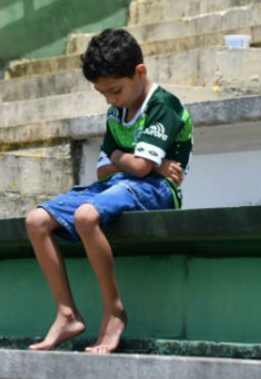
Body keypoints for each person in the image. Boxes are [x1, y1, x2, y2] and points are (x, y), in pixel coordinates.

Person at [25, 28, 193, 354]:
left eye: (115, 90)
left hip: (157, 190)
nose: (110, 100)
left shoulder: (164, 105)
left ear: (139, 72)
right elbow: (104, 169)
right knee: (36, 221)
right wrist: (137, 161)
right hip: (117, 185)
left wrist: (136, 162)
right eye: (103, 94)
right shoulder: (117, 110)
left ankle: (114, 310)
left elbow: (142, 170)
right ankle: (67, 313)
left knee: (86, 216)